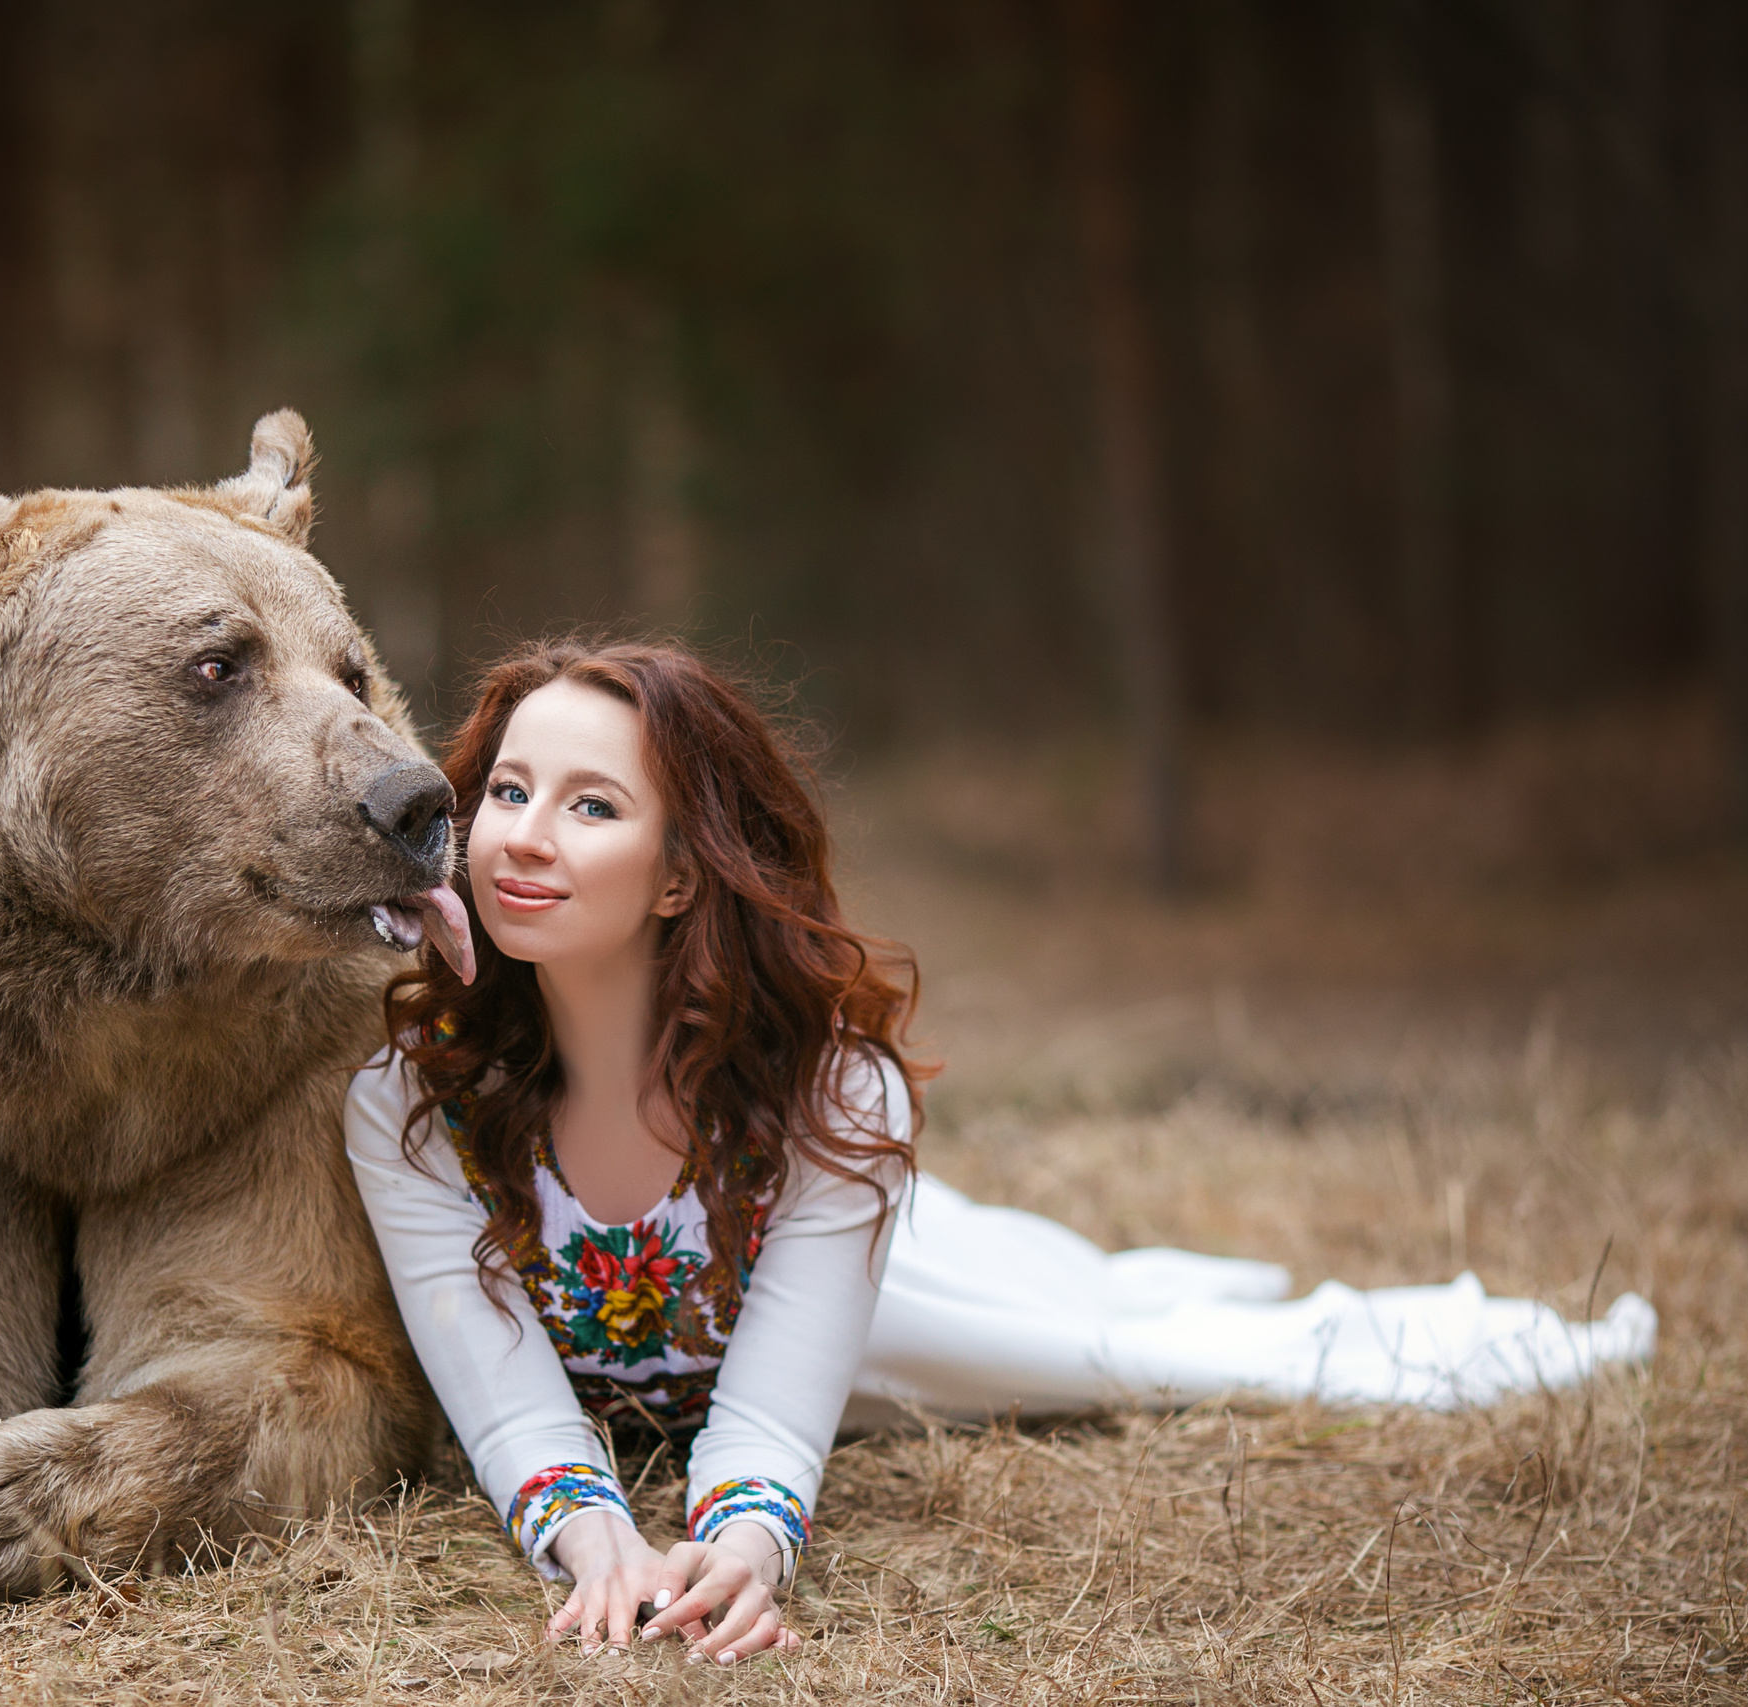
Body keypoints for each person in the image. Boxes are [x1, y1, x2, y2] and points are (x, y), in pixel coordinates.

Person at [343, 639, 1654, 1666]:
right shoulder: (408, 1106)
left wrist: (744, 1539)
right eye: (507, 790)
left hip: (860, 1338)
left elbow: (773, 1408)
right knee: (1078, 1299)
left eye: (590, 806)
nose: (520, 834)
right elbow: (505, 1393)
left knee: (1137, 1351)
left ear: (682, 873)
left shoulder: (831, 1096)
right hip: (653, 1397)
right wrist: (599, 1544)